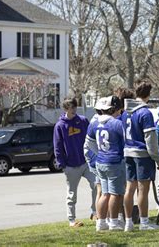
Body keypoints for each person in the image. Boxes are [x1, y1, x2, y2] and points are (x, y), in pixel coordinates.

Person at [123, 82, 159, 231]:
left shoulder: (126, 112)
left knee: (129, 188)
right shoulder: (144, 113)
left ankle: (128, 223)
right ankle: (144, 223)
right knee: (142, 190)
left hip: (128, 152)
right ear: (148, 95)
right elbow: (150, 141)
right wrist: (158, 160)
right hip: (142, 156)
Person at [53, 97, 97, 227]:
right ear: (65, 109)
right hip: (70, 166)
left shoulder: (82, 121)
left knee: (96, 185)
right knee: (72, 194)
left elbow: (91, 139)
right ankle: (72, 220)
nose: (73, 110)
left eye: (74, 107)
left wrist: (92, 156)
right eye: (70, 107)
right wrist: (63, 165)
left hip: (85, 163)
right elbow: (57, 147)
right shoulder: (60, 126)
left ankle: (95, 212)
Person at [87, 96, 126, 231]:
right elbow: (126, 140)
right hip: (114, 161)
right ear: (113, 109)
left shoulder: (94, 123)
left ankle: (101, 222)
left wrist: (99, 152)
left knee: (104, 193)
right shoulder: (117, 124)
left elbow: (89, 142)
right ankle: (114, 222)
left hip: (100, 161)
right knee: (115, 193)